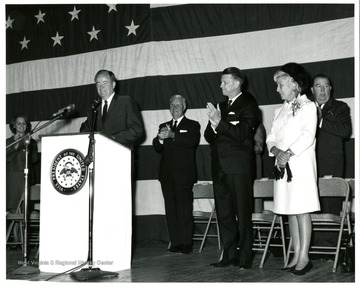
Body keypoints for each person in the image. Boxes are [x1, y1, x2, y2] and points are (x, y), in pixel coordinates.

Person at [266, 62, 320, 275]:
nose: (277, 89)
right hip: (282, 167)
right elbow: (271, 137)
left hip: (300, 166)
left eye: (281, 85)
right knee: (290, 211)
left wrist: (287, 153)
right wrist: (277, 152)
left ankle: (304, 258)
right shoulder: (280, 110)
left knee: (301, 210)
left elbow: (308, 135)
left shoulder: (308, 106)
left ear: (295, 84)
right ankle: (295, 255)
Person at [204, 67, 259, 269]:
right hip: (219, 167)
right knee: (224, 213)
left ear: (237, 82)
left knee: (243, 213)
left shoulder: (249, 104)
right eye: (221, 82)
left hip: (238, 167)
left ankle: (245, 257)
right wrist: (212, 124)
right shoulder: (220, 106)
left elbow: (241, 133)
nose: (221, 86)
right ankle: (229, 255)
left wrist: (220, 122)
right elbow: (209, 137)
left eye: (225, 82)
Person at [153, 95, 201, 254]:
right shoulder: (163, 125)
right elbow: (157, 148)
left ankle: (187, 243)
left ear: (184, 107)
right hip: (166, 175)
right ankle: (175, 242)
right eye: (172, 106)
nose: (175, 109)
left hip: (184, 175)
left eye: (178, 106)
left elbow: (191, 142)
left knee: (184, 209)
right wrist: (159, 139)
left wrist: (172, 135)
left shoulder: (193, 125)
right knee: (171, 210)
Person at [311, 74, 352, 248]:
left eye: (325, 86)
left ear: (330, 88)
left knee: (330, 204)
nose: (322, 90)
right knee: (312, 205)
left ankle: (330, 247)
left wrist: (320, 120)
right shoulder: (306, 108)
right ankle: (313, 247)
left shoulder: (340, 107)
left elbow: (345, 131)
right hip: (308, 164)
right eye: (318, 86)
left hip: (331, 163)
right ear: (312, 90)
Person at [80, 69, 144, 149]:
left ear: (113, 84)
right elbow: (84, 130)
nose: (101, 87)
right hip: (98, 155)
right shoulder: (94, 107)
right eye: (98, 84)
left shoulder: (126, 101)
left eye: (105, 83)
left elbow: (136, 130)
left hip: (120, 153)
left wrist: (113, 139)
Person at [6, 115, 39, 244]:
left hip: (26, 178)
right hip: (13, 179)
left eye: (24, 123)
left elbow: (34, 159)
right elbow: (6, 158)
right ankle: (16, 240)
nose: (21, 126)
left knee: (25, 209)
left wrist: (29, 145)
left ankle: (23, 240)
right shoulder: (8, 141)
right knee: (14, 209)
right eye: (18, 123)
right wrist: (15, 144)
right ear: (14, 126)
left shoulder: (31, 141)